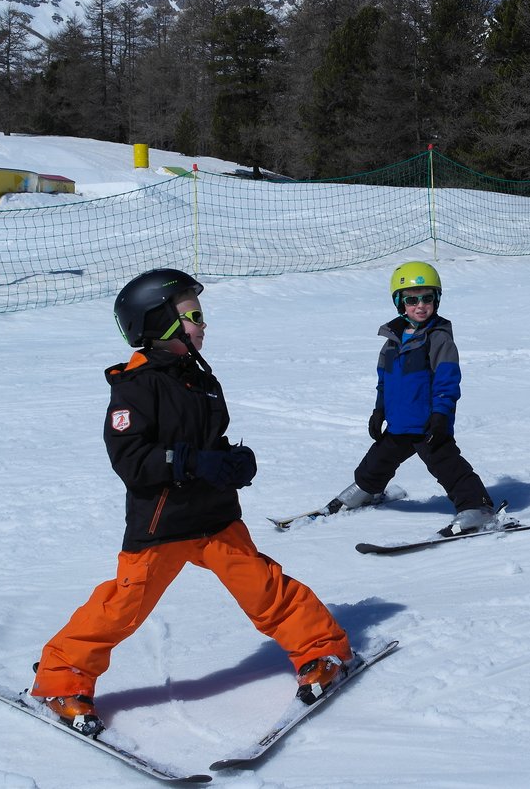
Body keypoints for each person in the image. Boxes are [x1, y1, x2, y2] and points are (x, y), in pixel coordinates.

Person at [29, 268, 353, 735]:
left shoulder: (195, 376)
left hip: (215, 516)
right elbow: (131, 459)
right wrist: (191, 462)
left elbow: (206, 439)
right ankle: (61, 681)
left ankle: (320, 649)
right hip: (163, 523)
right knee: (121, 608)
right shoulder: (135, 386)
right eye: (193, 315)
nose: (204, 324)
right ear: (159, 323)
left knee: (264, 588)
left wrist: (231, 461)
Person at [325, 261, 497, 536]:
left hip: (429, 424)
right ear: (399, 303)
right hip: (398, 424)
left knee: (449, 468)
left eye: (427, 298)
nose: (420, 305)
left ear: (436, 300)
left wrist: (441, 415)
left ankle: (477, 507)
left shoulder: (438, 339)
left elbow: (447, 380)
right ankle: (365, 490)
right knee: (376, 463)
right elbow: (384, 382)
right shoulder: (391, 343)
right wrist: (379, 411)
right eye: (412, 299)